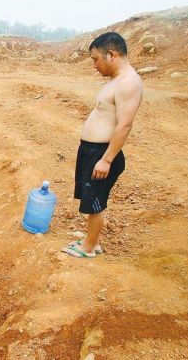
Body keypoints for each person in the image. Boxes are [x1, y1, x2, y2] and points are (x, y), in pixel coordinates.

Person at [63, 32, 143, 258]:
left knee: (95, 201)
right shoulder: (116, 80)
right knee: (90, 199)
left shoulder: (128, 83)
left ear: (111, 55)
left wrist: (106, 159)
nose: (94, 65)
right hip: (92, 151)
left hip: (101, 153)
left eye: (95, 59)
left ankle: (88, 248)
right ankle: (92, 242)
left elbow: (124, 125)